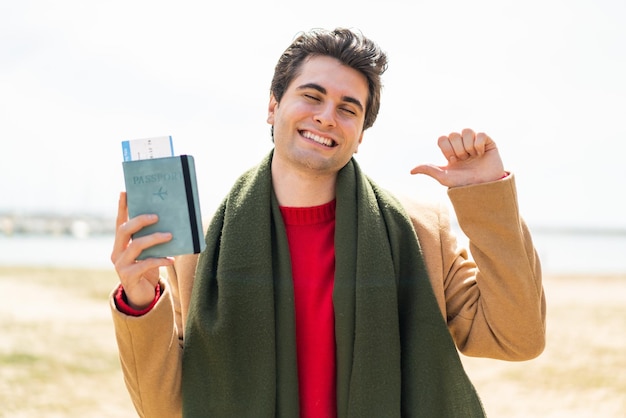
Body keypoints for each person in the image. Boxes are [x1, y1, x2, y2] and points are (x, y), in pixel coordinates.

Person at [110, 28, 546, 418]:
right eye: (312, 96)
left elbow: (517, 338)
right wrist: (140, 302)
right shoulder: (202, 243)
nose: (326, 117)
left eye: (348, 109)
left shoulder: (421, 230)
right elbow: (166, 409)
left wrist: (488, 197)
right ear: (273, 106)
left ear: (360, 135)